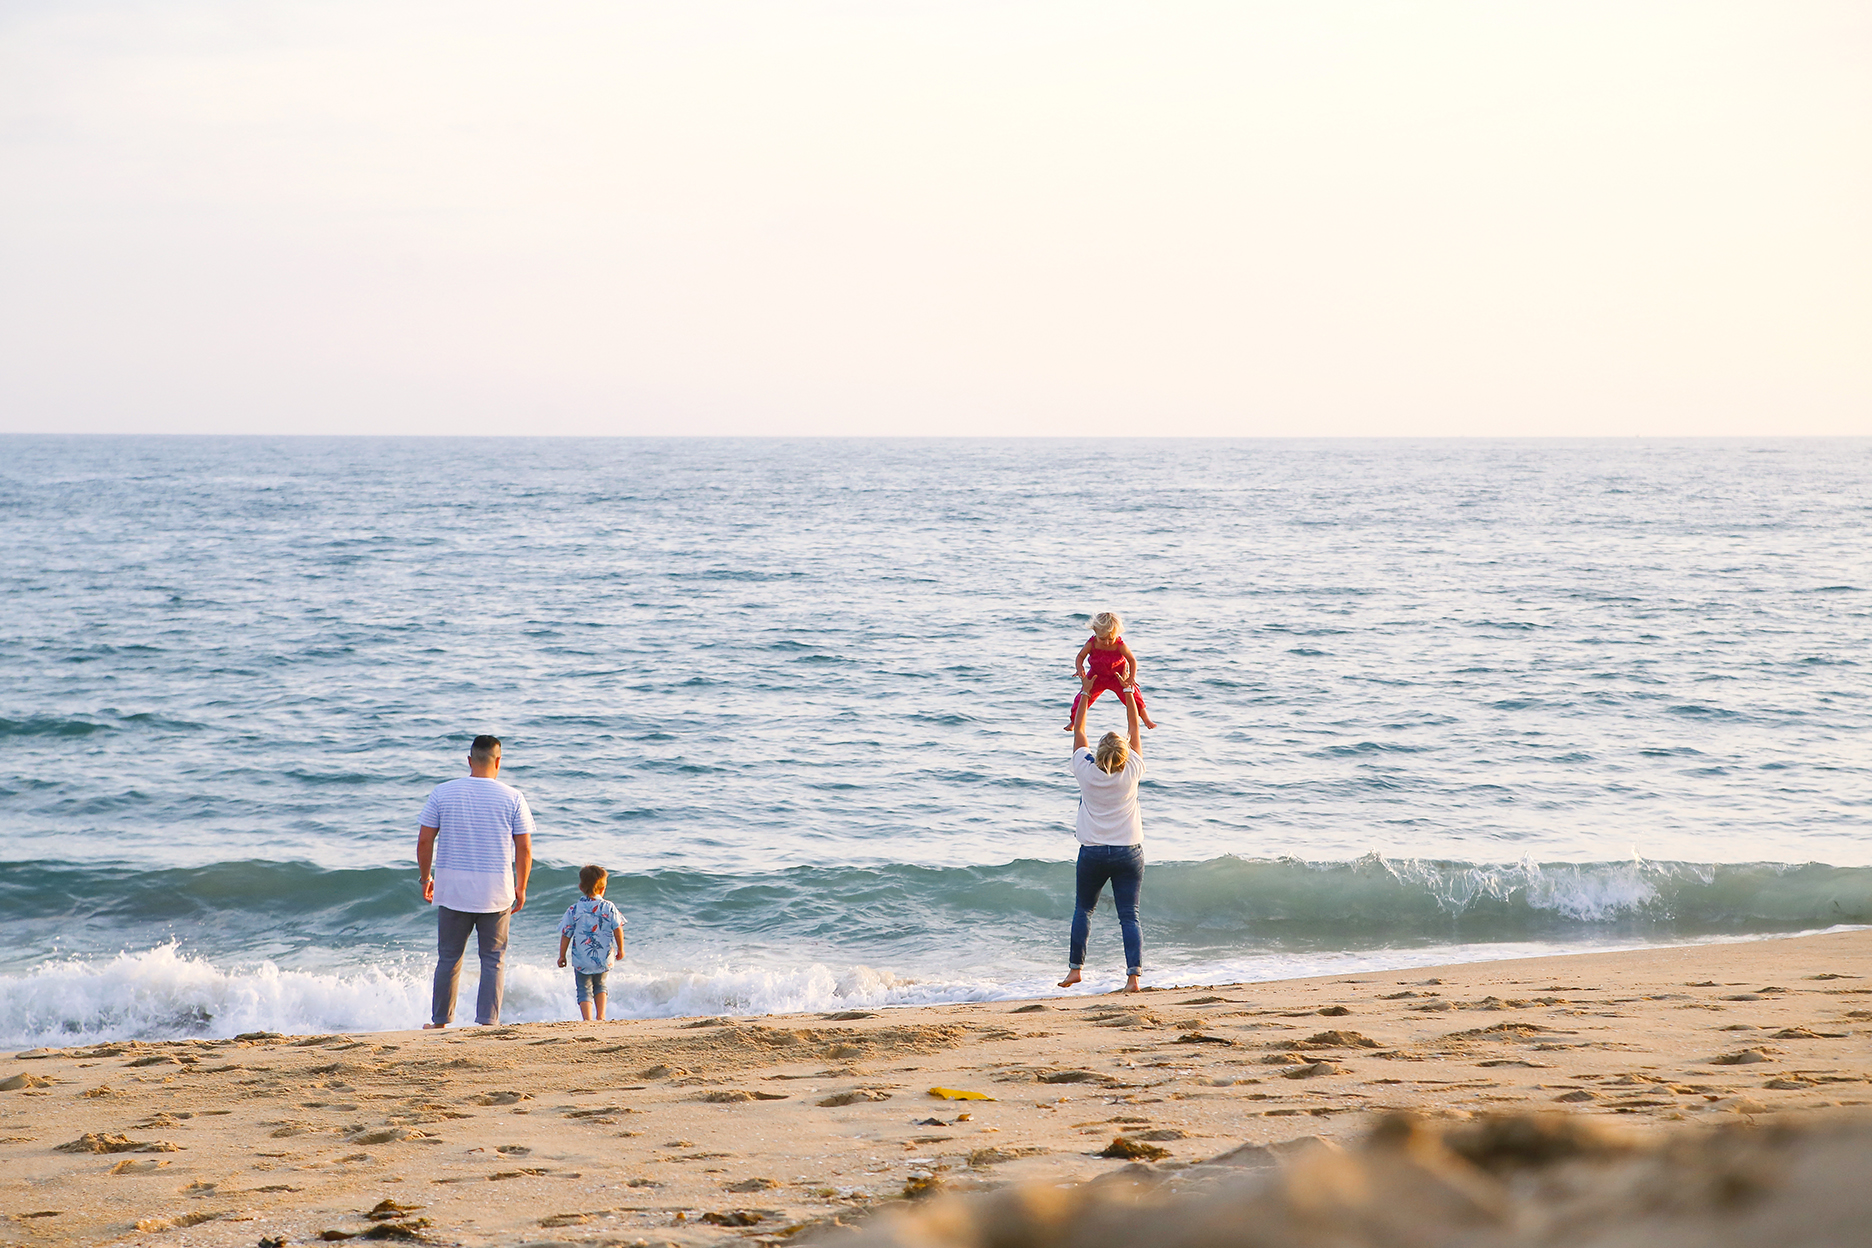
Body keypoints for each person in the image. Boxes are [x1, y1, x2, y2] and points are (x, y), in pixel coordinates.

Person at [416, 734, 535, 1028]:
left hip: (452, 889)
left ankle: (441, 1021)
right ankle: (487, 1021)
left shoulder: (442, 793)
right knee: (493, 959)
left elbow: (424, 840)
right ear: (498, 761)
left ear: (469, 761)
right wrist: (521, 887)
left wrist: (425, 878)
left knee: (449, 958)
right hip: (496, 892)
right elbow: (524, 847)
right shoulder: (513, 797)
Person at [1059, 689, 1146, 993]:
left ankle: (1075, 970)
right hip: (1129, 852)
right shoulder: (1133, 768)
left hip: (1093, 852)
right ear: (1124, 754)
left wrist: (1085, 691)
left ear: (1097, 754)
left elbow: (1079, 728)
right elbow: (1134, 728)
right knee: (1129, 916)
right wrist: (1128, 691)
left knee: (1084, 909)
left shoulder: (1085, 769)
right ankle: (1133, 978)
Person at [1064, 611, 1157, 731]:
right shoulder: (1092, 643)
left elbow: (1132, 660)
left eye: (1111, 639)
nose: (1107, 643)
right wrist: (1080, 669)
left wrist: (1131, 677)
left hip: (1117, 677)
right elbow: (1080, 657)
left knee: (1135, 696)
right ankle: (1073, 721)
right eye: (1103, 639)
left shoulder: (1119, 645)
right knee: (1082, 698)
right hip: (1096, 676)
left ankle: (1145, 718)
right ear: (1095, 632)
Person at [558, 864, 627, 1022]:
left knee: (583, 989)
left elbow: (566, 933)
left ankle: (587, 1019)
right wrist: (620, 949)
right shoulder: (609, 907)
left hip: (582, 958)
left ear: (580, 887)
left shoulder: (574, 909)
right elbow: (618, 929)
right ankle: (601, 1016)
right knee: (600, 985)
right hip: (603, 956)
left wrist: (562, 955)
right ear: (603, 888)